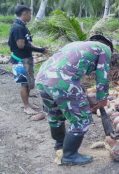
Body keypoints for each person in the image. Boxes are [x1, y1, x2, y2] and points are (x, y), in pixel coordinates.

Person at [35, 35, 113, 165]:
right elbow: (102, 77)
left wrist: (81, 91)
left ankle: (60, 143)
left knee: (55, 114)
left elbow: (68, 67)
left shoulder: (75, 45)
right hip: (61, 81)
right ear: (109, 46)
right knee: (82, 119)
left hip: (43, 77)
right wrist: (102, 99)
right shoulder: (105, 49)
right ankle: (69, 156)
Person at [8, 5, 48, 115]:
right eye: (30, 14)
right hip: (20, 59)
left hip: (27, 58)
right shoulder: (18, 28)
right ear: (25, 14)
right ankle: (26, 106)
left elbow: (29, 42)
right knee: (24, 83)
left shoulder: (23, 27)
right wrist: (40, 50)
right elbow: (21, 45)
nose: (31, 16)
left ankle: (27, 103)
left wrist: (40, 48)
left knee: (29, 83)